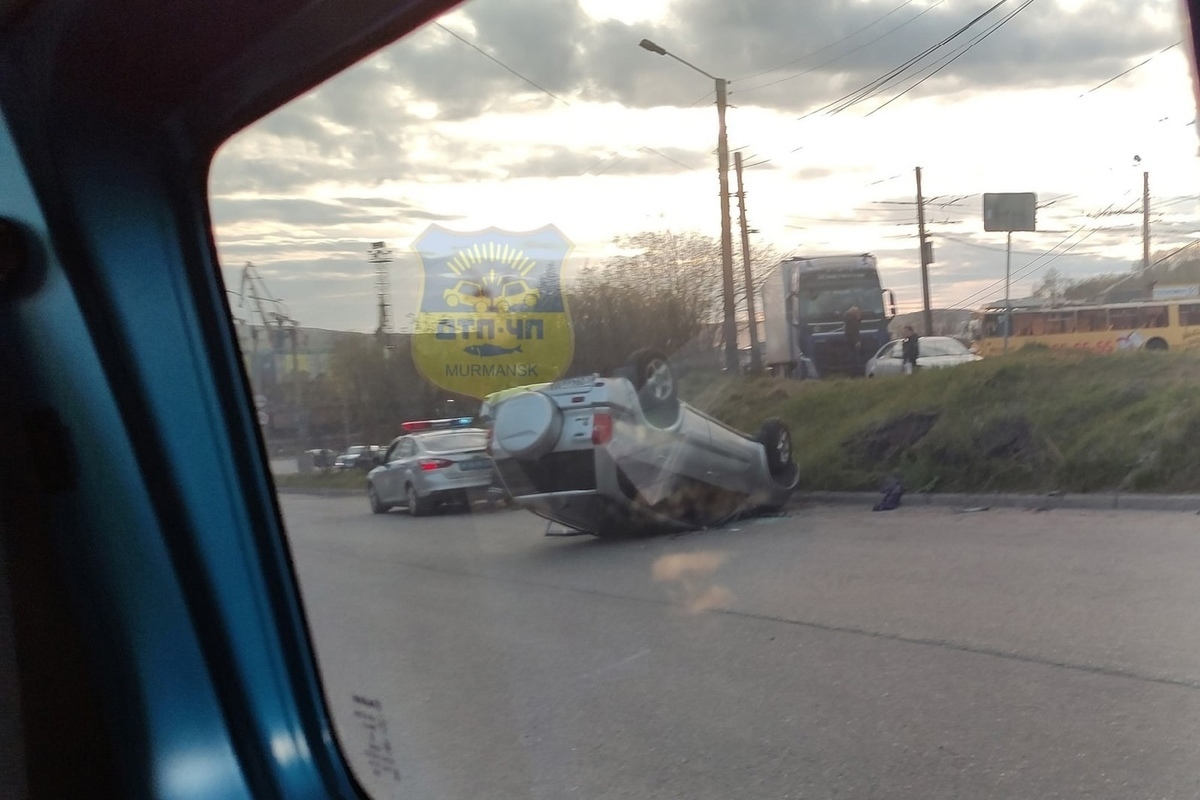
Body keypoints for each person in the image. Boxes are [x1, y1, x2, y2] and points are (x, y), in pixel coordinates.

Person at [844, 305, 862, 375]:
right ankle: (855, 373)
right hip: (852, 343)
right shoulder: (852, 321)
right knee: (854, 359)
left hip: (851, 342)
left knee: (853, 358)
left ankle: (854, 373)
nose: (859, 313)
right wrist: (857, 341)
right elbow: (853, 332)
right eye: (857, 312)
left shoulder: (849, 320)